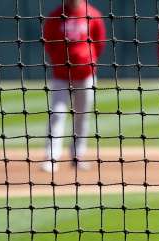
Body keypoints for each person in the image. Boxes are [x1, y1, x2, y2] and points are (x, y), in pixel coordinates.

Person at [40, 0, 106, 173]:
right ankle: (51, 157)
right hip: (61, 76)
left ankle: (77, 155)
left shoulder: (92, 14)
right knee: (57, 114)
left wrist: (87, 61)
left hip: (85, 75)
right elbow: (48, 43)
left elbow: (99, 43)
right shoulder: (55, 16)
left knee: (82, 116)